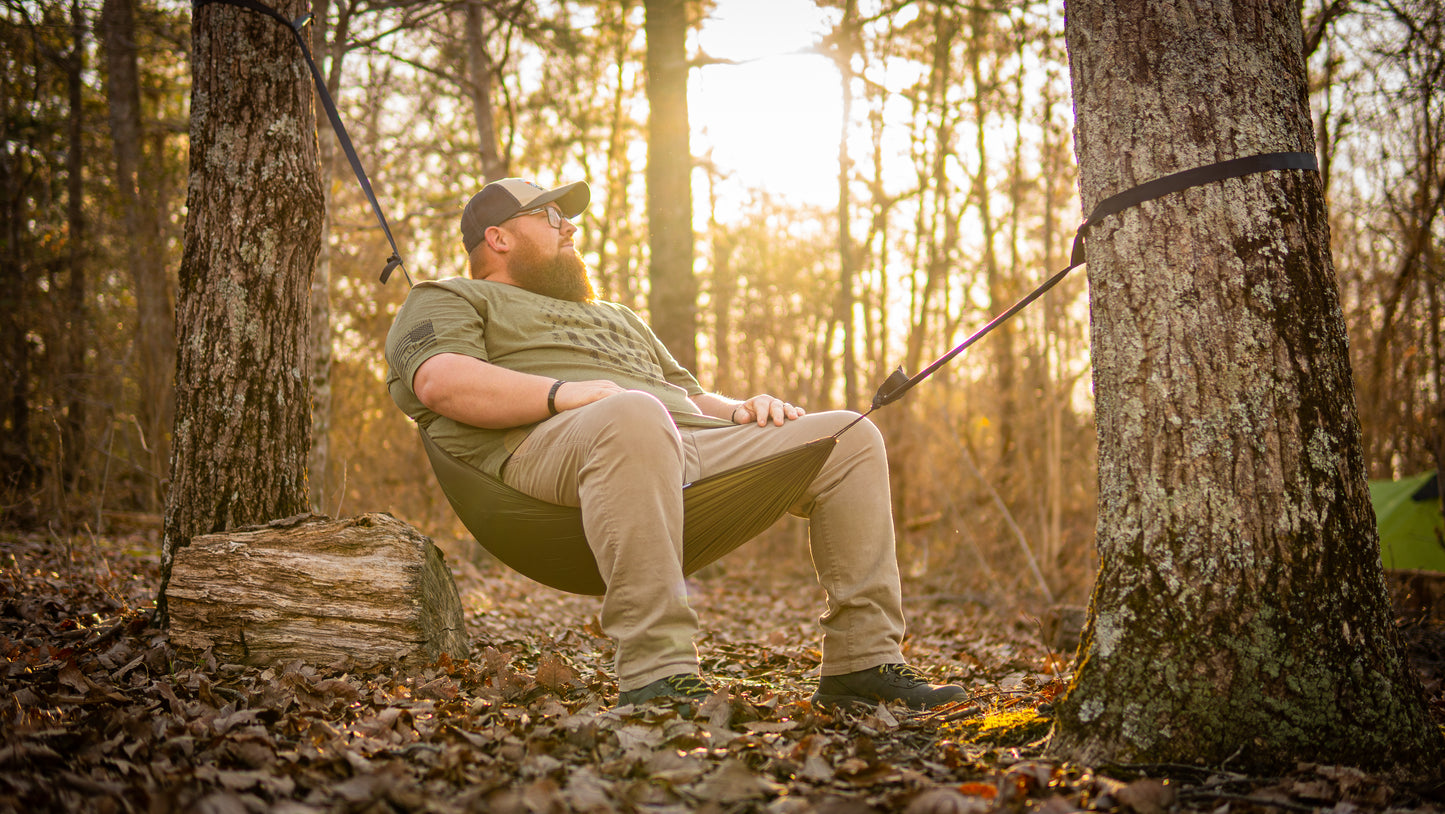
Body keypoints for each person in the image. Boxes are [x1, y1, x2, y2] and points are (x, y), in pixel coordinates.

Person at [385, 177, 967, 710]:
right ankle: (657, 672)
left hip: (677, 439)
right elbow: (441, 380)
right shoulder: (451, 295)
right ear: (499, 238)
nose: (571, 226)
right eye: (552, 215)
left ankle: (862, 662)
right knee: (633, 415)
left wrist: (740, 409)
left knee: (850, 436)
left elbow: (686, 394)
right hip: (549, 450)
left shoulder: (618, 316)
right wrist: (567, 394)